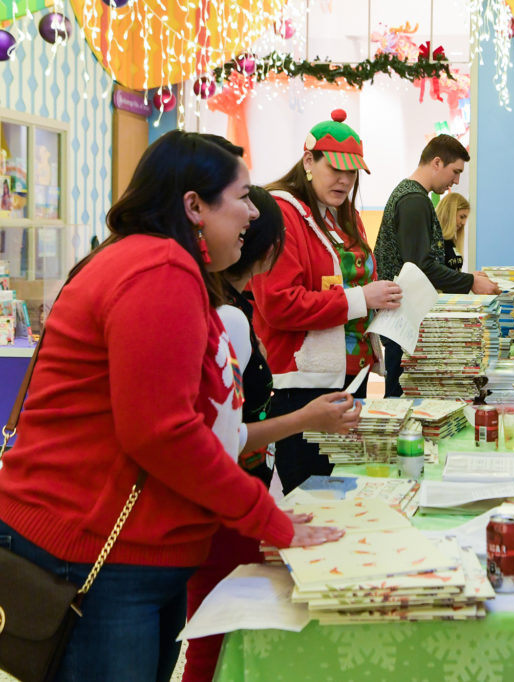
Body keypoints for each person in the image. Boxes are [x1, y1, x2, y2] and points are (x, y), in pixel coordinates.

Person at [0, 131, 341, 682]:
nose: (254, 213)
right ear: (194, 206)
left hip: (124, 552)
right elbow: (163, 433)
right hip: (95, 552)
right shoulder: (160, 270)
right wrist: (264, 517)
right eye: (243, 197)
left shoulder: (158, 265)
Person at [181, 186, 363, 682]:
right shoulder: (227, 318)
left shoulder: (231, 308)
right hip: (224, 504)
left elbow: (228, 433)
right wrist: (271, 521)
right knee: (215, 635)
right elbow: (222, 441)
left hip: (237, 498)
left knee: (215, 631)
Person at [249, 109, 401, 494]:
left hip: (353, 376)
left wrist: (380, 301)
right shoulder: (283, 214)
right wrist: (360, 299)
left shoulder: (340, 214)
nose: (345, 179)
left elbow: (354, 285)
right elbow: (279, 304)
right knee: (310, 496)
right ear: (308, 161)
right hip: (302, 384)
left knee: (344, 491)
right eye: (335, 168)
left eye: (352, 172)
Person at [375, 134, 499, 397]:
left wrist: (466, 277)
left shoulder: (413, 195)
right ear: (437, 162)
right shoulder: (414, 200)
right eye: (455, 172)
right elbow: (420, 266)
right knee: (400, 400)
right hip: (402, 323)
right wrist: (470, 282)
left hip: (402, 320)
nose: (455, 181)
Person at [436, 191, 470, 271]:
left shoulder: (451, 241)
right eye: (462, 217)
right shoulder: (435, 241)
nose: (464, 223)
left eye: (466, 218)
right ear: (449, 213)